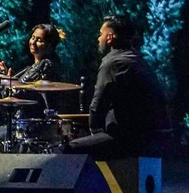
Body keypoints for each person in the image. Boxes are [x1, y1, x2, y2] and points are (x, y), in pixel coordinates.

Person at [66, 14, 168, 160]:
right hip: (148, 136)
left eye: (101, 34)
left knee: (71, 148)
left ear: (110, 37)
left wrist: (94, 130)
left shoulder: (113, 62)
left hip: (128, 138)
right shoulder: (137, 59)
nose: (98, 39)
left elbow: (98, 102)